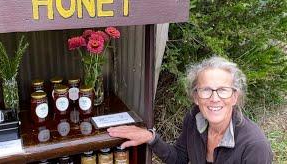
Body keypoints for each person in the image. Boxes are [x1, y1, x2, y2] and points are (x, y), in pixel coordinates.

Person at [107, 56, 273, 164]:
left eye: (223, 90)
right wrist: (151, 138)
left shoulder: (254, 146)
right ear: (196, 97)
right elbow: (179, 158)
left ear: (235, 97)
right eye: (206, 90)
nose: (214, 98)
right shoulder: (194, 119)